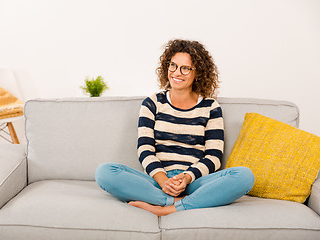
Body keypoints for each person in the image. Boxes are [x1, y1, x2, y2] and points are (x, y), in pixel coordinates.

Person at [95, 39, 255, 216]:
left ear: (198, 73)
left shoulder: (211, 107)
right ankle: (179, 203)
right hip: (158, 181)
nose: (177, 73)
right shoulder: (152, 103)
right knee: (105, 172)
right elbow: (145, 150)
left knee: (245, 176)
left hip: (195, 183)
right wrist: (164, 181)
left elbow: (214, 156)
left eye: (185, 68)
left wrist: (186, 178)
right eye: (173, 65)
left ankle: (165, 208)